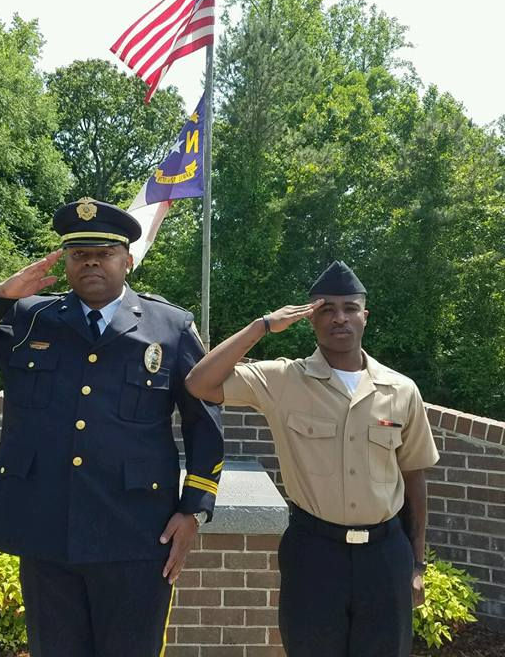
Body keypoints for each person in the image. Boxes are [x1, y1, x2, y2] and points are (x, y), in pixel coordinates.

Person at [0, 197, 224, 657]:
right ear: (65, 261)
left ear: (127, 260)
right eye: (79, 255)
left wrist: (193, 509)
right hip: (46, 528)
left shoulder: (170, 326)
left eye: (103, 254)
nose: (91, 264)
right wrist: (0, 295)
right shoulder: (28, 318)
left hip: (138, 532)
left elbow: (204, 423)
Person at [184, 260, 439, 657]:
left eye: (350, 308)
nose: (340, 318)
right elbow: (199, 383)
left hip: (384, 557)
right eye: (327, 309)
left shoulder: (401, 390)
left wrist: (417, 565)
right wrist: (262, 326)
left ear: (365, 316)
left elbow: (415, 478)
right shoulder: (282, 380)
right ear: (310, 319)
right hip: (314, 553)